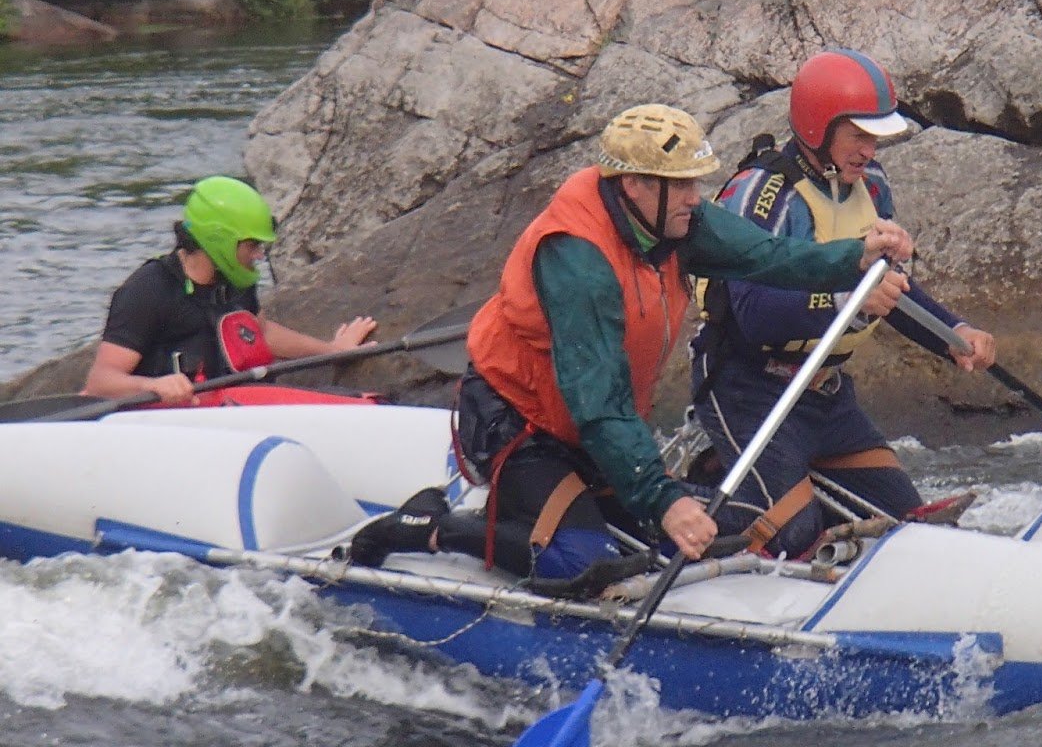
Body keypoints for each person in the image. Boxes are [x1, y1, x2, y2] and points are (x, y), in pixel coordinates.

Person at [348, 104, 914, 585]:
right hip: (517, 425)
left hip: (592, 424)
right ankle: (427, 526)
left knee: (708, 536)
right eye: (684, 184)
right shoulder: (578, 260)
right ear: (635, 184)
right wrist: (662, 499)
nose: (697, 197)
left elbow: (768, 256)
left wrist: (853, 257)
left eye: (697, 182)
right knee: (577, 559)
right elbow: (601, 405)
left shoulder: (673, 219)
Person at [689, 48, 998, 558]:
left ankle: (794, 497)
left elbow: (888, 287)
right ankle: (714, 485)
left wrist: (953, 331)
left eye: (875, 136)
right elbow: (752, 312)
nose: (869, 149)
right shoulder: (764, 194)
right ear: (818, 126)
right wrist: (849, 302)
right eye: (859, 134)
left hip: (825, 395)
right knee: (789, 536)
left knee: (904, 523)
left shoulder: (871, 186)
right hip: (748, 387)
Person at [82, 176, 377, 405]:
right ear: (219, 240)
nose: (259, 255)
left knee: (363, 400)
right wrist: (152, 386)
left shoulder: (235, 283)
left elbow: (262, 333)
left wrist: (335, 351)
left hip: (234, 407)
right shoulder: (148, 289)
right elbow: (100, 383)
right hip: (176, 420)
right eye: (251, 245)